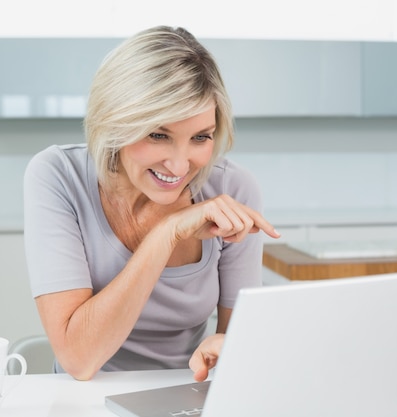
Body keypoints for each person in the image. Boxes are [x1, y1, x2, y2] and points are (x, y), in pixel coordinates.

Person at [23, 25, 280, 382]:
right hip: (80, 399)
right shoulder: (58, 175)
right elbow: (79, 360)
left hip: (184, 394)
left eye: (200, 137)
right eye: (158, 135)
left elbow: (240, 349)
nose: (179, 166)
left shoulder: (232, 188)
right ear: (115, 122)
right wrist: (166, 234)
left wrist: (229, 350)